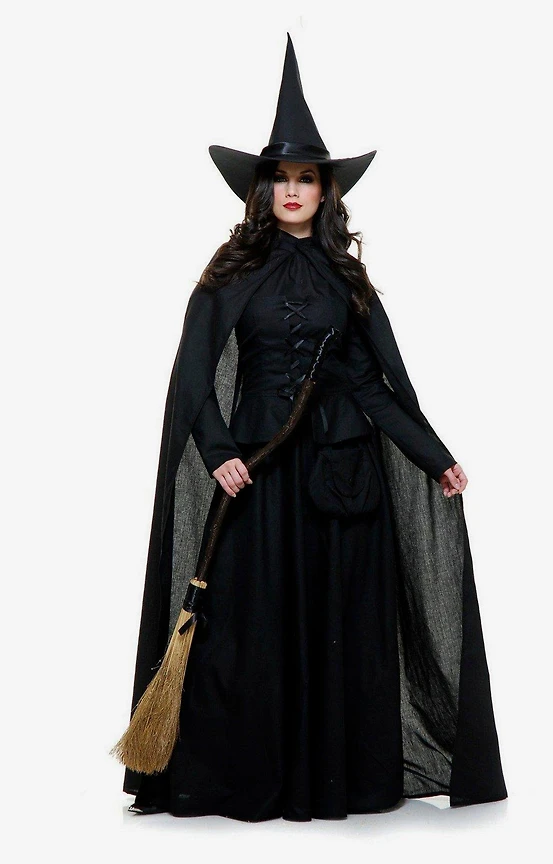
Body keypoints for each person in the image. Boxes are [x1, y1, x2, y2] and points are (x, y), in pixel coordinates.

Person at [122, 33, 507, 821]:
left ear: (326, 192)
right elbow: (192, 380)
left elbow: (374, 384)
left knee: (342, 624)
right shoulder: (228, 274)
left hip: (342, 477)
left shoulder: (345, 277)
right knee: (251, 625)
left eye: (307, 178)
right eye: (281, 178)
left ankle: (340, 779)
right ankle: (248, 777)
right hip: (260, 476)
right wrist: (220, 452)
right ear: (261, 189)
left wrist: (434, 456)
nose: (293, 190)